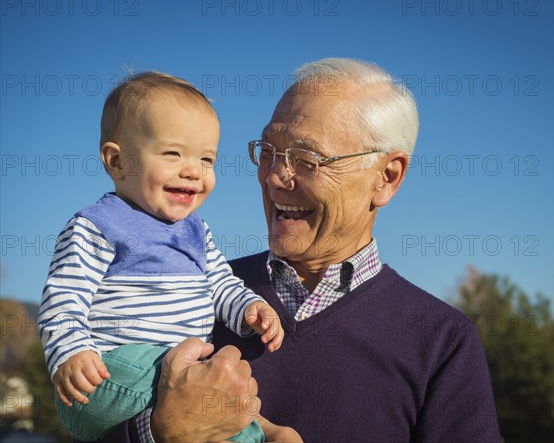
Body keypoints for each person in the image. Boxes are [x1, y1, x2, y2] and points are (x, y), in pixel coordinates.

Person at [102, 58, 501, 442]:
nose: (275, 177)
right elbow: (90, 414)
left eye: (307, 159)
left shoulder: (442, 342)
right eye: (269, 151)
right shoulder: (181, 290)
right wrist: (161, 433)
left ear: (387, 177)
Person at [37, 72, 288, 442]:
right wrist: (70, 353)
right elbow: (63, 296)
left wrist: (250, 308)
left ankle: (254, 428)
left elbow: (220, 285)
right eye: (173, 153)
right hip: (108, 373)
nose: (193, 171)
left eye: (207, 159)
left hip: (165, 375)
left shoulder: (196, 231)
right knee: (222, 415)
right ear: (117, 162)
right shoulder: (100, 224)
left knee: (221, 403)